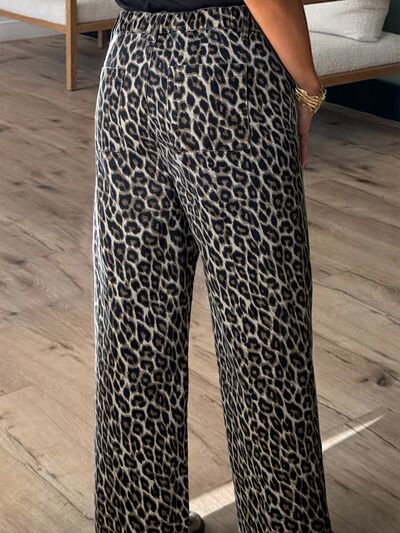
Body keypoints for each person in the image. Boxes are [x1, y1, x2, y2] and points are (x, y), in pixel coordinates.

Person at [92, 0, 332, 532]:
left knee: (135, 316)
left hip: (127, 63)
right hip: (225, 67)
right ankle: (281, 522)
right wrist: (308, 86)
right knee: (262, 321)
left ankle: (140, 520)